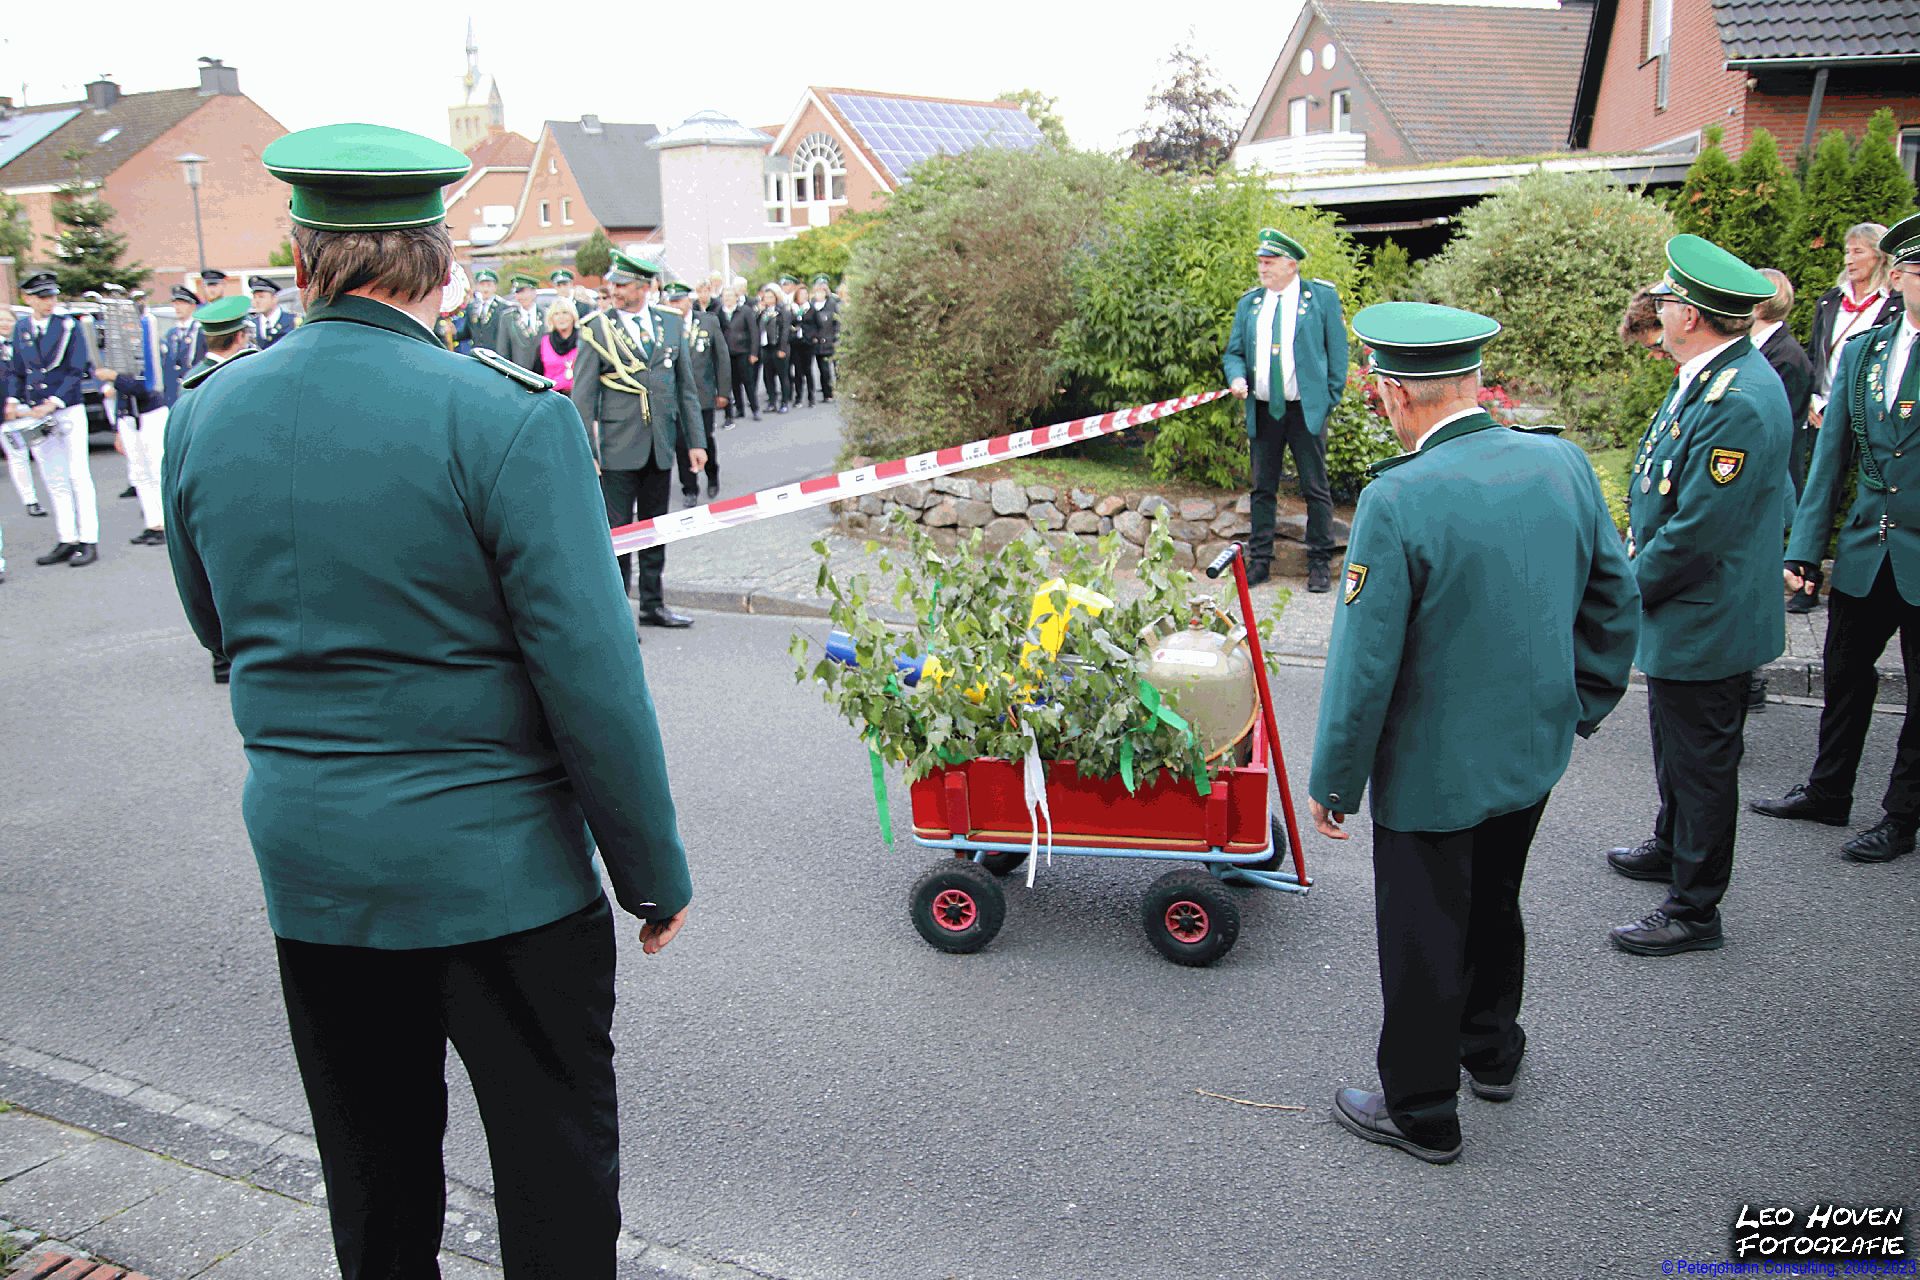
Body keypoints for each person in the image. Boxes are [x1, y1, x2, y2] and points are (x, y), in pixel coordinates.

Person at [162, 124, 693, 1277]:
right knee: (554, 1180)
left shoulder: (206, 409)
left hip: (318, 872)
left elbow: (216, 626)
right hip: (504, 879)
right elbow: (592, 676)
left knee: (375, 1182)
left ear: (299, 260)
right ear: (442, 263)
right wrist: (651, 872)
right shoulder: (505, 414)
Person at [1309, 302, 1639, 1165]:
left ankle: (1421, 1109)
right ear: (1472, 382)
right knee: (1495, 897)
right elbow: (1615, 597)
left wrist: (1336, 779)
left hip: (1434, 767)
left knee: (1423, 929)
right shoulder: (1562, 462)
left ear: (1394, 394)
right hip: (1531, 750)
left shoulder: (1398, 497)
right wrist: (1582, 703)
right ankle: (1492, 1051)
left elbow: (1364, 665)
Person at [1604, 234, 1790, 956]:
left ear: (1690, 315)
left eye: (1669, 301)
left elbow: (1698, 533)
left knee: (1704, 765)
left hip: (1707, 612)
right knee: (1676, 747)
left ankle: (1694, 909)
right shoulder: (1711, 376)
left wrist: (1623, 592)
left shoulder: (1738, 397)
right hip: (1689, 607)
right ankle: (1671, 843)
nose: (1660, 310)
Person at [1751, 214, 1920, 865]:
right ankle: (1829, 790)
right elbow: (1831, 460)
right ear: (1898, 276)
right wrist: (1803, 547)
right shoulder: (1864, 351)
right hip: (1866, 547)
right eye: (1917, 270)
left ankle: (1901, 816)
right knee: (1844, 673)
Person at [571, 249, 708, 629]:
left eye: (623, 285)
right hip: (616, 449)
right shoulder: (597, 329)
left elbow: (686, 389)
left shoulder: (671, 322)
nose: (614, 291)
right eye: (613, 284)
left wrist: (696, 442)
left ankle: (652, 605)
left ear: (645, 287)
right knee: (619, 538)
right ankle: (618, 619)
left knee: (654, 531)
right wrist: (588, 451)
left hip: (660, 445)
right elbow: (583, 398)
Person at [1222, 227, 1349, 591]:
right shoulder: (1250, 304)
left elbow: (1338, 352)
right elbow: (1234, 353)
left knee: (1315, 487)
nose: (1262, 269)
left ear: (1291, 265)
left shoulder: (1321, 298)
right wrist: (1236, 377)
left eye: (1269, 262)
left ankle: (1319, 563)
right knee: (1262, 488)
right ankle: (1260, 561)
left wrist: (1329, 398)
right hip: (1264, 409)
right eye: (1260, 263)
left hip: (1305, 409)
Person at [5, 272, 100, 567]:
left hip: (66, 407)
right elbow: (17, 371)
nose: (50, 302)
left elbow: (76, 369)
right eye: (43, 297)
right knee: (53, 477)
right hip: (37, 412)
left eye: (52, 296)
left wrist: (53, 402)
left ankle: (88, 539)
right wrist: (13, 401)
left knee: (78, 475)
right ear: (28, 299)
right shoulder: (22, 327)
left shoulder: (68, 326)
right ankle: (67, 537)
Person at [95, 294, 173, 546]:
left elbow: (146, 387)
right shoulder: (120, 351)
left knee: (156, 471)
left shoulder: (150, 345)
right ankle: (153, 522)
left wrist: (115, 378)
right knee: (140, 473)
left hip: (150, 413)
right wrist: (120, 423)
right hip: (130, 415)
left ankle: (168, 524)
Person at [1809, 224, 1901, 430]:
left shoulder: (1896, 305)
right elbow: (1814, 356)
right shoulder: (1829, 301)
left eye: (1858, 252)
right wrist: (1810, 400)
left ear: (1880, 256)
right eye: (1847, 252)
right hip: (1825, 414)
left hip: (1871, 417)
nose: (1848, 260)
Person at [661, 280, 728, 502]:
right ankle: (689, 488)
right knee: (681, 443)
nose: (675, 306)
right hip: (675, 397)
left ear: (689, 301)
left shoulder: (708, 321)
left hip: (703, 394)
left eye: (679, 301)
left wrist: (723, 391)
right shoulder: (664, 327)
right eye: (671, 302)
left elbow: (721, 358)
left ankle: (712, 474)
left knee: (704, 437)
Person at [721, 287, 759, 421]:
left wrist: (754, 352)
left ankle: (755, 408)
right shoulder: (720, 313)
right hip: (727, 353)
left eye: (730, 296)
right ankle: (739, 409)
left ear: (736, 298)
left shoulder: (745, 311)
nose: (728, 299)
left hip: (743, 351)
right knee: (734, 383)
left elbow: (754, 332)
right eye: (725, 296)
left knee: (748, 382)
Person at [803, 275, 839, 404]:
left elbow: (837, 323)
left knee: (831, 369)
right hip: (816, 342)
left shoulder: (832, 304)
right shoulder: (811, 306)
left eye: (822, 291)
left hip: (830, 340)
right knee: (821, 369)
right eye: (817, 291)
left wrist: (836, 337)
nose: (819, 294)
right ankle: (825, 393)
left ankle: (833, 391)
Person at [758, 283, 792, 413]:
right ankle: (772, 402)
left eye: (771, 297)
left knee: (783, 376)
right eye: (766, 297)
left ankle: (784, 402)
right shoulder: (763, 312)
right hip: (766, 347)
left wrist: (782, 349)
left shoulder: (782, 311)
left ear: (776, 297)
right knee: (768, 376)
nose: (768, 299)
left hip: (778, 346)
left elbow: (785, 331)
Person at [500, 274, 545, 371]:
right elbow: (503, 351)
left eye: (523, 292)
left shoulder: (546, 315)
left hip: (543, 375)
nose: (520, 296)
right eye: (517, 292)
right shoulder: (508, 318)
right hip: (518, 374)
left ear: (534, 292)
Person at [539, 298, 581, 394]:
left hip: (579, 395)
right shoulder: (544, 341)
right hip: (552, 396)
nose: (561, 317)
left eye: (565, 312)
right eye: (556, 314)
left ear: (573, 315)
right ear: (551, 318)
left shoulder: (583, 339)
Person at [248, 276, 296, 350]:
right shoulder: (251, 324)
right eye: (254, 297)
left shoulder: (293, 321)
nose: (257, 301)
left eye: (261, 297)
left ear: (274, 298)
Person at [466, 267, 504, 353]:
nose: (485, 289)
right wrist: (452, 332)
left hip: (496, 354)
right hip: (476, 353)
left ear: (495, 287)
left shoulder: (503, 307)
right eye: (482, 285)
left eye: (489, 285)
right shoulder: (472, 307)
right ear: (477, 286)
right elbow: (467, 332)